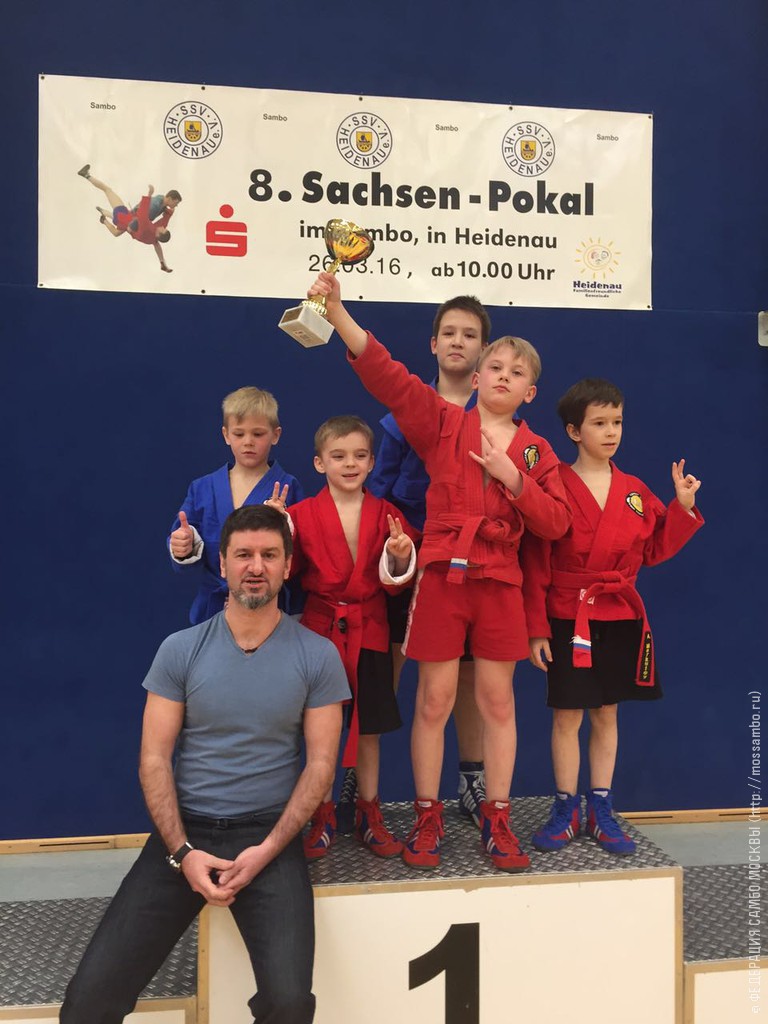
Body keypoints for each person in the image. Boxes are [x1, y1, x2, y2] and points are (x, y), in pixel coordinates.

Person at [306, 271, 571, 873]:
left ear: (530, 391)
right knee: (434, 700)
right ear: (476, 377)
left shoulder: (536, 451)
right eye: (494, 367)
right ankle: (427, 817)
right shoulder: (445, 424)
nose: (502, 376)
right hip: (443, 575)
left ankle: (497, 818)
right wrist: (339, 314)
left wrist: (513, 478)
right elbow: (390, 378)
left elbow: (556, 523)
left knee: (498, 701)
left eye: (516, 372)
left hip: (499, 581)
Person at [60, 505, 351, 1024]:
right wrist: (182, 853)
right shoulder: (180, 650)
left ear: (288, 566)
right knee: (87, 1004)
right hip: (183, 837)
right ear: (222, 564)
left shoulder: (319, 656)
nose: (256, 567)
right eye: (244, 555)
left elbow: (321, 766)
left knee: (289, 1005)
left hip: (268, 839)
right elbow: (153, 759)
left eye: (269, 555)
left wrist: (266, 852)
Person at [522, 379, 703, 855]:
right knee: (567, 715)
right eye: (599, 423)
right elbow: (536, 561)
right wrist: (536, 628)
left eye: (617, 422)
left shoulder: (635, 491)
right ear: (573, 431)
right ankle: (566, 807)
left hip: (619, 615)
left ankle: (601, 807)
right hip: (568, 616)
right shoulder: (553, 485)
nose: (611, 432)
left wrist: (682, 508)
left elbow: (655, 550)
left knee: (607, 713)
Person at [365, 296, 491, 833]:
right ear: (434, 344)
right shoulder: (406, 411)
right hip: (407, 555)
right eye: (450, 332)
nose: (459, 341)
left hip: (468, 563)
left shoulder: (496, 415)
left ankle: (471, 779)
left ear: (484, 350)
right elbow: (378, 491)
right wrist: (394, 552)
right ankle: (360, 787)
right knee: (386, 669)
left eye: (470, 334)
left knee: (467, 674)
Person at [267, 415, 418, 860]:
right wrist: (279, 532)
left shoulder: (389, 515)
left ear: (371, 462)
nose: (349, 464)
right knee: (322, 731)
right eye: (338, 456)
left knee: (369, 730)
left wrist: (399, 556)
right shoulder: (298, 516)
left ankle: (369, 811)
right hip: (320, 632)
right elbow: (288, 574)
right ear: (320, 463)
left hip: (370, 629)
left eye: (359, 456)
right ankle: (321, 812)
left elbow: (397, 584)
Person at [168, 386, 303, 625]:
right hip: (212, 611)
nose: (248, 442)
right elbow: (183, 535)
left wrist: (283, 526)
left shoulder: (288, 487)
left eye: (258, 434)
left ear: (276, 435)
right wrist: (182, 545)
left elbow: (300, 557)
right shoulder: (202, 488)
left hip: (267, 607)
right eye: (239, 434)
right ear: (226, 434)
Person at [77, 164, 181, 272]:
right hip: (127, 219)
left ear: (159, 234)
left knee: (107, 190)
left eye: (163, 229)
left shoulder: (148, 226)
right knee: (116, 232)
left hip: (124, 216)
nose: (163, 227)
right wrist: (162, 262)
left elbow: (142, 215)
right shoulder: (153, 238)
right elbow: (157, 244)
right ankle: (103, 216)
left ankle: (86, 175)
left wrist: (149, 195)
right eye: (176, 203)